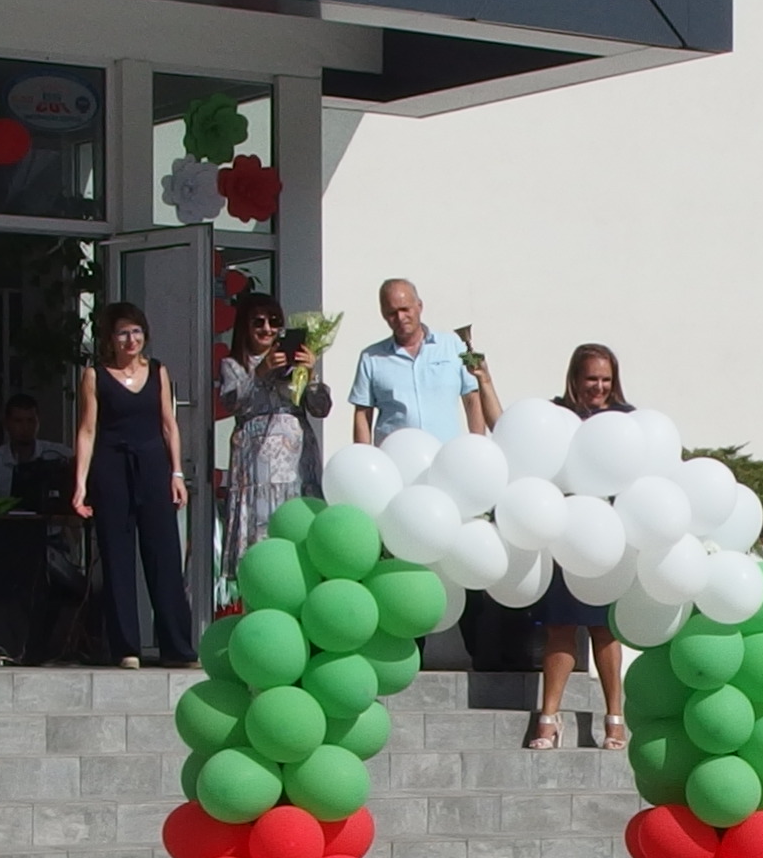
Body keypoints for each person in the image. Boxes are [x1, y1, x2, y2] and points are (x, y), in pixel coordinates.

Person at [526, 344, 643, 751]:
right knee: (560, 626)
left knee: (604, 629)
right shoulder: (558, 417)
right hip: (566, 534)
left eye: (606, 379)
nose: (599, 386)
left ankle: (614, 719)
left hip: (609, 538)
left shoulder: (626, 420)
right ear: (575, 378)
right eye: (592, 378)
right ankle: (548, 717)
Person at [69, 302, 192, 668]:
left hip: (152, 465)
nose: (131, 339)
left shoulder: (157, 371)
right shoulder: (95, 376)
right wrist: (80, 484)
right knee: (118, 557)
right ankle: (126, 647)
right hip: (112, 467)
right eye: (122, 333)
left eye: (136, 331)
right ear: (110, 338)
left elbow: (169, 424)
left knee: (164, 556)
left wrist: (177, 473)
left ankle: (177, 647)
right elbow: (87, 430)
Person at [217, 293, 333, 550]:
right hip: (256, 460)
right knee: (261, 526)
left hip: (296, 457)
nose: (267, 328)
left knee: (297, 520)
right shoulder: (234, 365)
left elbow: (321, 408)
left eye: (274, 321)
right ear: (245, 326)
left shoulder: (293, 362)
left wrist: (310, 373)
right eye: (258, 322)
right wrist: (260, 372)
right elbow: (231, 403)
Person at [346, 277, 494, 443]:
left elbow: (472, 399)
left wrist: (477, 445)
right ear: (383, 314)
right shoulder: (371, 358)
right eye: (392, 313)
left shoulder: (452, 346)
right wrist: (363, 454)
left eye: (405, 309)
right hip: (395, 455)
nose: (400, 317)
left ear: (419, 306)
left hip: (445, 453)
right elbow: (362, 413)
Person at [0, 393, 70, 505]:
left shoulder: (59, 454)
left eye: (30, 421)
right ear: (6, 424)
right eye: (18, 421)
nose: (25, 427)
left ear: (38, 422)